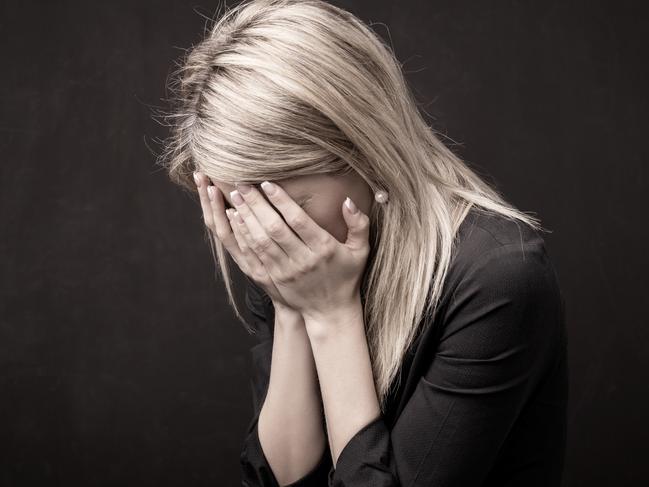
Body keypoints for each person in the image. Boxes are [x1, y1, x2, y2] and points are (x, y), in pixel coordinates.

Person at [157, 1, 568, 485]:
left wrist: (332, 315)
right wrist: (292, 310)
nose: (264, 231)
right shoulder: (294, 258)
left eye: (289, 204)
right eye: (237, 208)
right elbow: (283, 479)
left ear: (363, 149)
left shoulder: (498, 277)